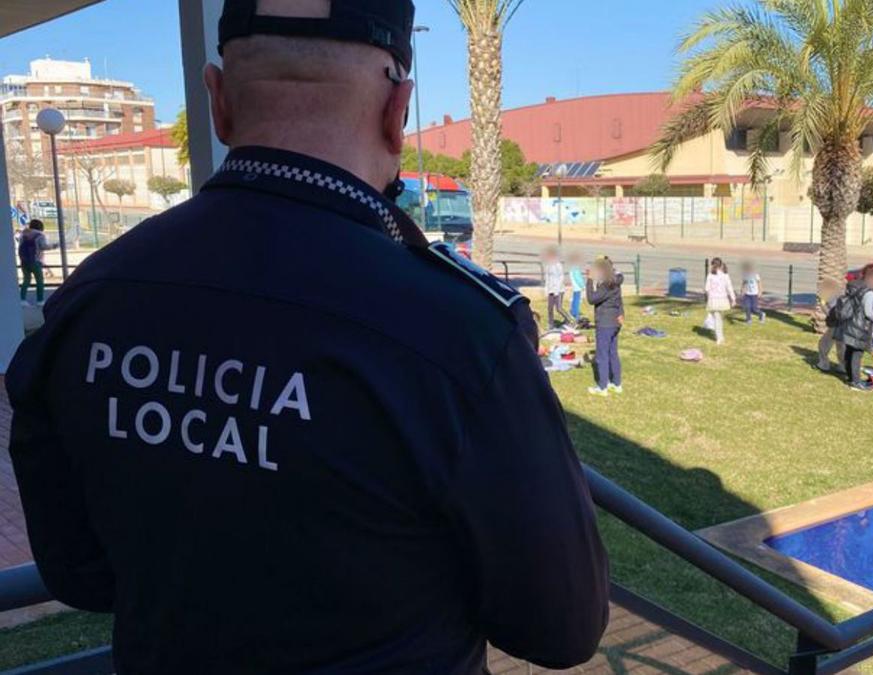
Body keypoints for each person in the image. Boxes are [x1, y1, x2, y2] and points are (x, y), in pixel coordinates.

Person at [6, 2, 608, 673]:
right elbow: (563, 629)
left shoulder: (92, 297)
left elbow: (78, 574)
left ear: (218, 101)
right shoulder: (460, 332)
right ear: (397, 110)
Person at [833, 265, 873, 390]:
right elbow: (868, 312)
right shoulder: (868, 292)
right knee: (857, 353)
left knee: (849, 351)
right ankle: (856, 382)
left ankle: (850, 377)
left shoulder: (854, 285)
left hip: (848, 323)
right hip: (859, 327)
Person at [586, 256, 624, 396]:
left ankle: (602, 387)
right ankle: (617, 384)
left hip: (605, 324)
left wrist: (589, 280)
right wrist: (621, 314)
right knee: (612, 353)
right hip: (614, 322)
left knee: (602, 355)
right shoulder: (615, 281)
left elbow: (591, 299)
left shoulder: (606, 285)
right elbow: (619, 300)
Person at [17, 219, 54, 307]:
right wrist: (54, 245)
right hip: (35, 261)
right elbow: (44, 246)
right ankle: (40, 300)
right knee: (39, 281)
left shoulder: (23, 234)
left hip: (24, 261)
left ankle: (22, 299)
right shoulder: (40, 235)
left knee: (26, 280)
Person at [813, 278, 843, 372]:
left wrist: (822, 304)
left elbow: (829, 312)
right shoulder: (839, 295)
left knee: (823, 344)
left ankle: (824, 364)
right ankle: (843, 367)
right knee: (841, 346)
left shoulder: (828, 297)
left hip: (835, 325)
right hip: (843, 324)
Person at [705, 257, 736, 345]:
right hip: (722, 299)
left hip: (714, 300)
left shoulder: (711, 275)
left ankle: (719, 337)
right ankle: (720, 336)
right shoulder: (725, 275)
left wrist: (708, 298)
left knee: (717, 318)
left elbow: (707, 289)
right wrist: (733, 299)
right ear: (721, 265)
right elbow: (729, 288)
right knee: (718, 318)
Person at [543, 246, 572, 330]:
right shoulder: (548, 265)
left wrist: (557, 290)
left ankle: (569, 320)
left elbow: (561, 278)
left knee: (559, 308)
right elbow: (547, 278)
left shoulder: (558, 265)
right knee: (550, 308)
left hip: (559, 290)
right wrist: (547, 289)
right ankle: (551, 324)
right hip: (551, 290)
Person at [567, 251, 586, 322]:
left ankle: (573, 311)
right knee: (577, 301)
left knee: (575, 300)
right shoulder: (576, 269)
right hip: (578, 287)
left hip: (575, 287)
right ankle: (575, 313)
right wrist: (583, 286)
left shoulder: (572, 269)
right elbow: (578, 278)